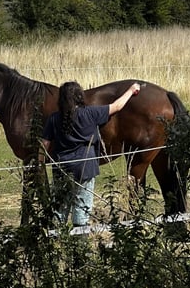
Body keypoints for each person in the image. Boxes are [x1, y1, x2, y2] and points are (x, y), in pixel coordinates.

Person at [40, 80, 141, 227]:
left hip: (61, 170)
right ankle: (81, 246)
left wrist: (39, 162)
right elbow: (117, 106)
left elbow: (44, 144)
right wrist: (131, 90)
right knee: (82, 212)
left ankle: (57, 245)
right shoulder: (91, 113)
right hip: (85, 169)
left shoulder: (54, 118)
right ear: (80, 96)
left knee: (59, 212)